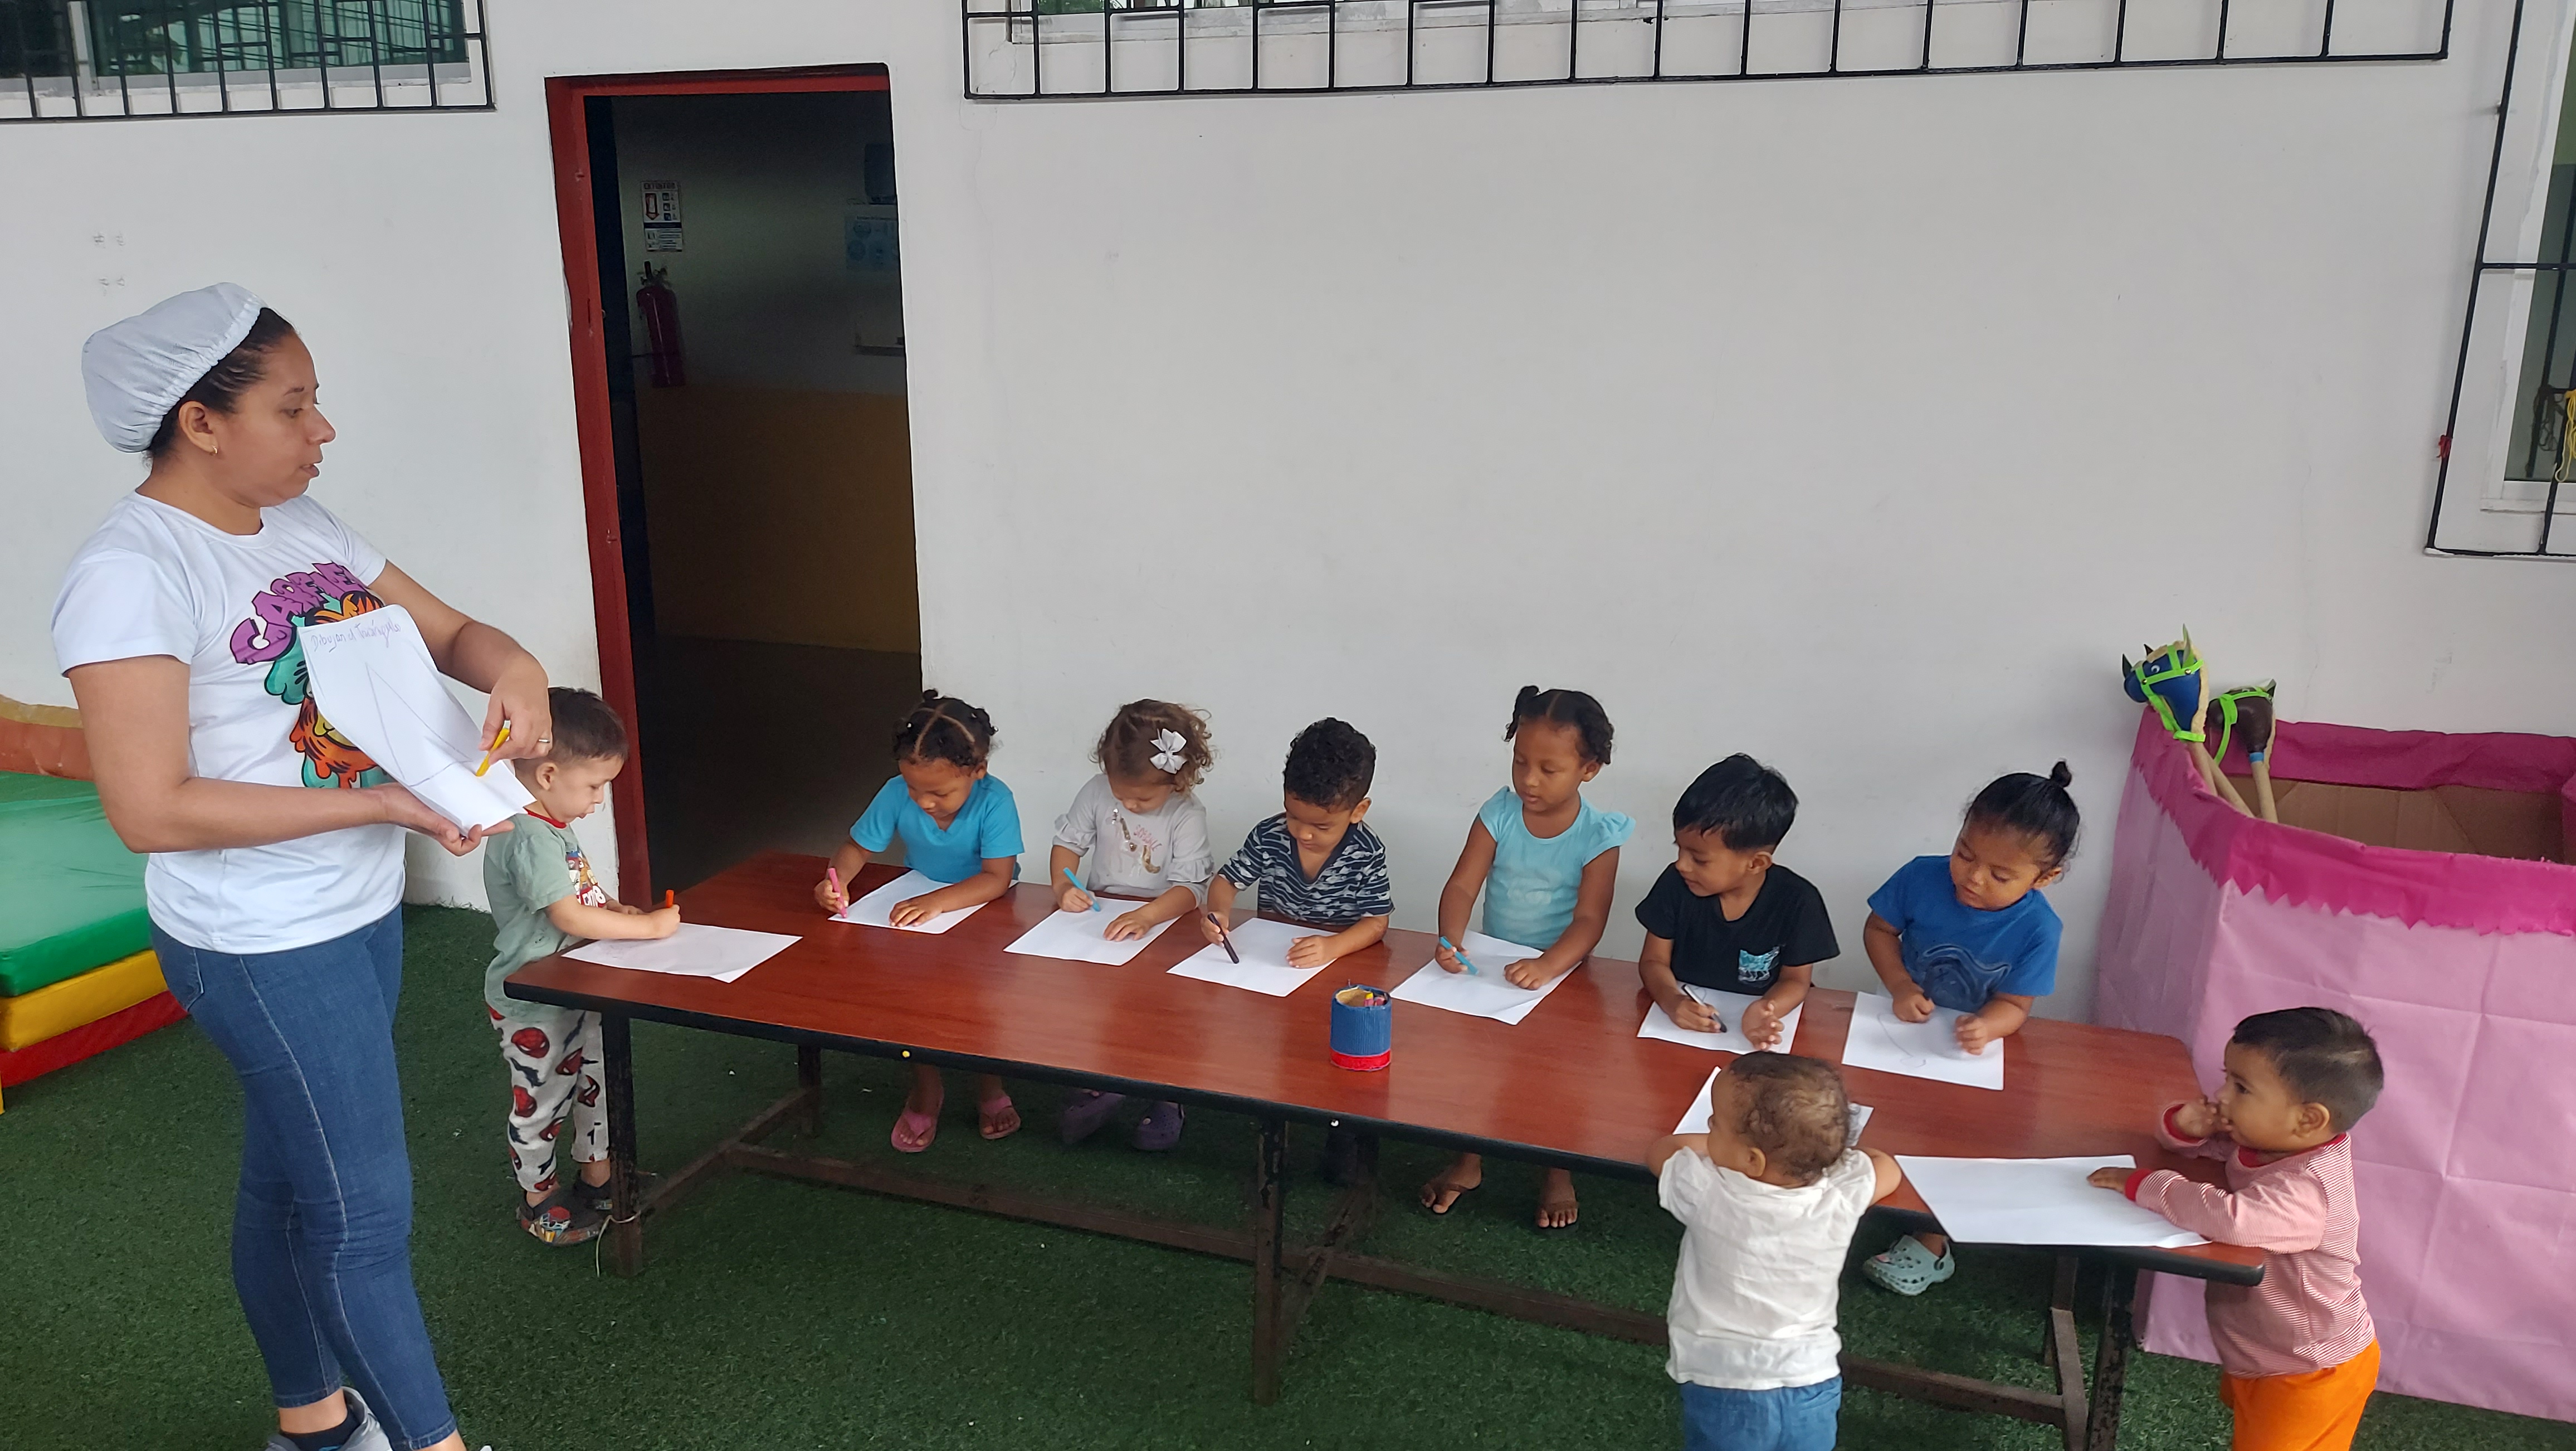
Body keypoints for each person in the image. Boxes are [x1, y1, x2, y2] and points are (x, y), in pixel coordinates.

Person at [53, 284, 538, 1451]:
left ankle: (314, 1425)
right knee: (362, 1215)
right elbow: (149, 808)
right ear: (200, 423)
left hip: (353, 909)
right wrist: (382, 801)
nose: (323, 429)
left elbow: (452, 634)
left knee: (288, 1182)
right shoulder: (133, 571)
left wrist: (513, 666)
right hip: (259, 941)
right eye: (293, 406)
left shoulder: (305, 526)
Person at [2089, 1009, 2384, 1451]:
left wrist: (2148, 1185)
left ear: (2308, 1120)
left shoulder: (2310, 1190)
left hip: (2309, 1368)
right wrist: (2185, 1128)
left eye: (2241, 1088)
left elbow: (2233, 1219)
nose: (2221, 1096)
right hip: (2268, 1353)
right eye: (2228, 1079)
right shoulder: (2273, 1142)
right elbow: (2209, 1150)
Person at [1857, 762, 2076, 1297]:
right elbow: (1879, 929)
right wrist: (1900, 985)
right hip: (1900, 1028)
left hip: (1972, 1055)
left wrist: (1987, 1027)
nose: (1972, 878)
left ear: (2044, 878)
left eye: (2000, 875)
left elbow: (2016, 1005)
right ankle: (1860, 1195)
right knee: (1879, 1114)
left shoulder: (2039, 928)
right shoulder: (1920, 878)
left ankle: (1931, 1243)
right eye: (1964, 854)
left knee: (1952, 1140)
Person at [1419, 686, 1633, 1228]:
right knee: (1479, 1068)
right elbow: (1463, 885)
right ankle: (1469, 1161)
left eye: (1548, 769)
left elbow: (1590, 921)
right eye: (1520, 762)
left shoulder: (1599, 836)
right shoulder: (1499, 812)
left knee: (1557, 1082)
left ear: (1589, 769)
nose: (1529, 780)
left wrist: (1547, 966)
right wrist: (1451, 937)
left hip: (1564, 975)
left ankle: (1556, 1171)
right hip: (1495, 970)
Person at [480, 688, 679, 1245]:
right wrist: (649, 928)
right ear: (548, 775)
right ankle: (538, 1201)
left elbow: (579, 891)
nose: (598, 800)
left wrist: (612, 908)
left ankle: (598, 1177)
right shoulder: (526, 834)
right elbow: (565, 913)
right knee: (542, 1101)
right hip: (534, 1001)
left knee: (596, 1080)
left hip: (577, 983)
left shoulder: (553, 822)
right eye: (594, 786)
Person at [1647, 1055, 1901, 1451]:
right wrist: (1820, 1153)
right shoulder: (1839, 1196)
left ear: (1752, 1160)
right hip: (1812, 1377)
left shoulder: (1707, 1191)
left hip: (1723, 1381)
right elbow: (1885, 1166)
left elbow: (1665, 1150)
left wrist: (1709, 1148)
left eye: (1714, 1123)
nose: (1709, 1126)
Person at [815, 691, 1023, 1151]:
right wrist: (836, 880)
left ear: (978, 770)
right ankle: (926, 1088)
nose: (924, 802)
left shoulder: (996, 801)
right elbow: (855, 848)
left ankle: (990, 1085)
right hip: (919, 908)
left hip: (987, 913)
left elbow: (996, 878)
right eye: (914, 789)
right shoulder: (895, 793)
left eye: (940, 793)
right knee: (913, 1003)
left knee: (980, 1005)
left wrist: (938, 901)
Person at [1202, 718, 1392, 1182]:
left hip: (1340, 970)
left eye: (1321, 826)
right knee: (1282, 1050)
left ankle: (1343, 1132)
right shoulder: (1270, 835)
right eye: (1294, 817)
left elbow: (1377, 922)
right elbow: (1227, 881)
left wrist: (1332, 947)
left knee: (1337, 1053)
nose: (1303, 833)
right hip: (1276, 967)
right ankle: (1278, 1126)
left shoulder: (1367, 851)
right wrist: (1218, 912)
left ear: (1359, 810)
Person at [1051, 699, 1217, 1151]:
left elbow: (1191, 890)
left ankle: (1166, 1095)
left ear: (1177, 779)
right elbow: (1067, 846)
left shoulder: (1186, 813)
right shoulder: (1095, 792)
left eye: (1142, 799)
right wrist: (1063, 886)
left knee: (1160, 1020)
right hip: (1103, 923)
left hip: (1165, 926)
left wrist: (1147, 916)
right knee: (1100, 1012)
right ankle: (1102, 1083)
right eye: (1120, 794)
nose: (1128, 804)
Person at [1635, 754, 1837, 1051]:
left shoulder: (1798, 901)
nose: (1681, 865)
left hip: (1750, 1044)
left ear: (1756, 863)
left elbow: (1796, 981)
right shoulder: (1675, 885)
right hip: (1678, 1035)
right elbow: (1653, 962)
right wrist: (1671, 1000)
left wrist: (1768, 1009)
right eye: (1680, 849)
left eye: (1699, 859)